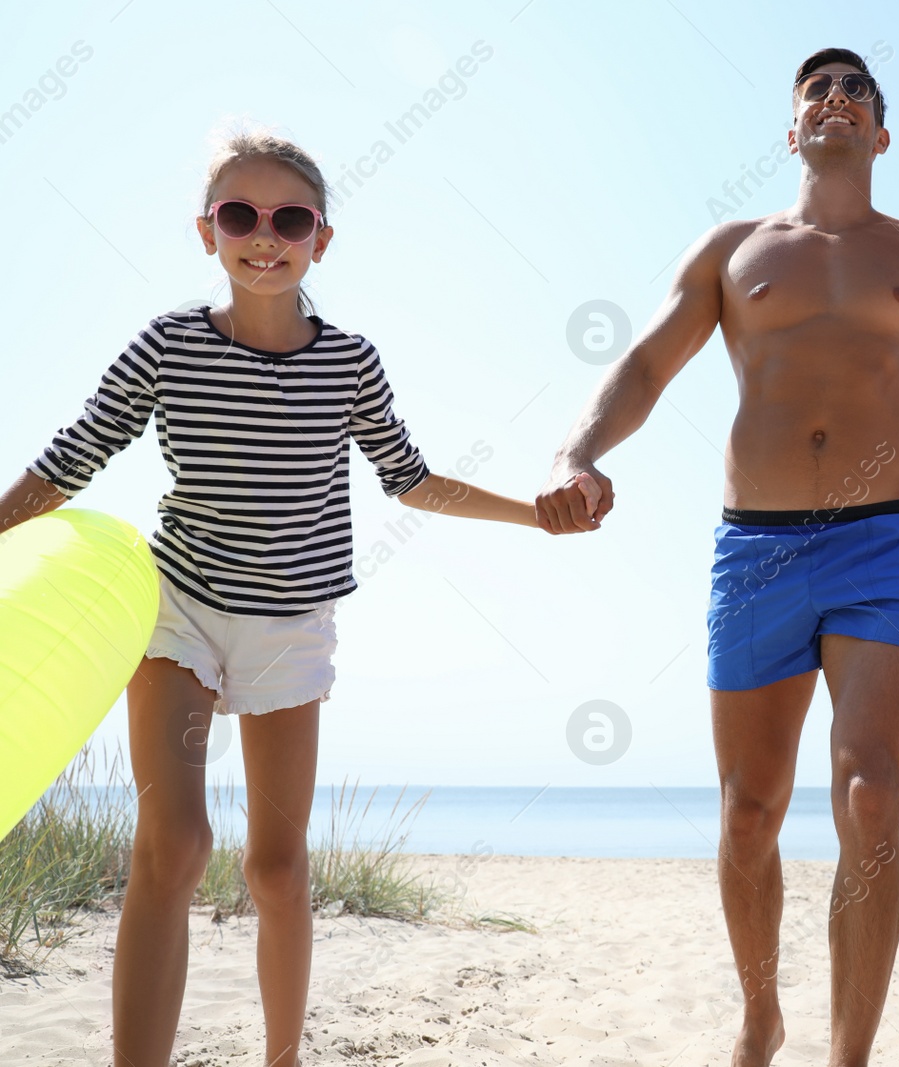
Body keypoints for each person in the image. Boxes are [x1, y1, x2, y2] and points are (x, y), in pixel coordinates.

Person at [0, 129, 562, 1067]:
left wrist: (534, 517)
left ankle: (283, 1057)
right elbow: (71, 456)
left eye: (290, 218)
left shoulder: (348, 362)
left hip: (291, 623)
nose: (265, 235)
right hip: (180, 607)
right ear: (206, 231)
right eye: (240, 215)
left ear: (321, 240)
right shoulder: (169, 344)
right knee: (173, 844)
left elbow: (412, 480)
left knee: (275, 864)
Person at [535, 48, 899, 1067]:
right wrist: (577, 450)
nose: (836, 99)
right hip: (758, 548)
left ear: (880, 134)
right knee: (748, 812)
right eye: (816, 92)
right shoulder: (735, 248)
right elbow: (649, 360)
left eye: (856, 93)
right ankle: (760, 1010)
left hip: (884, 538)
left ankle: (848, 1053)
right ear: (793, 132)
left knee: (871, 792)